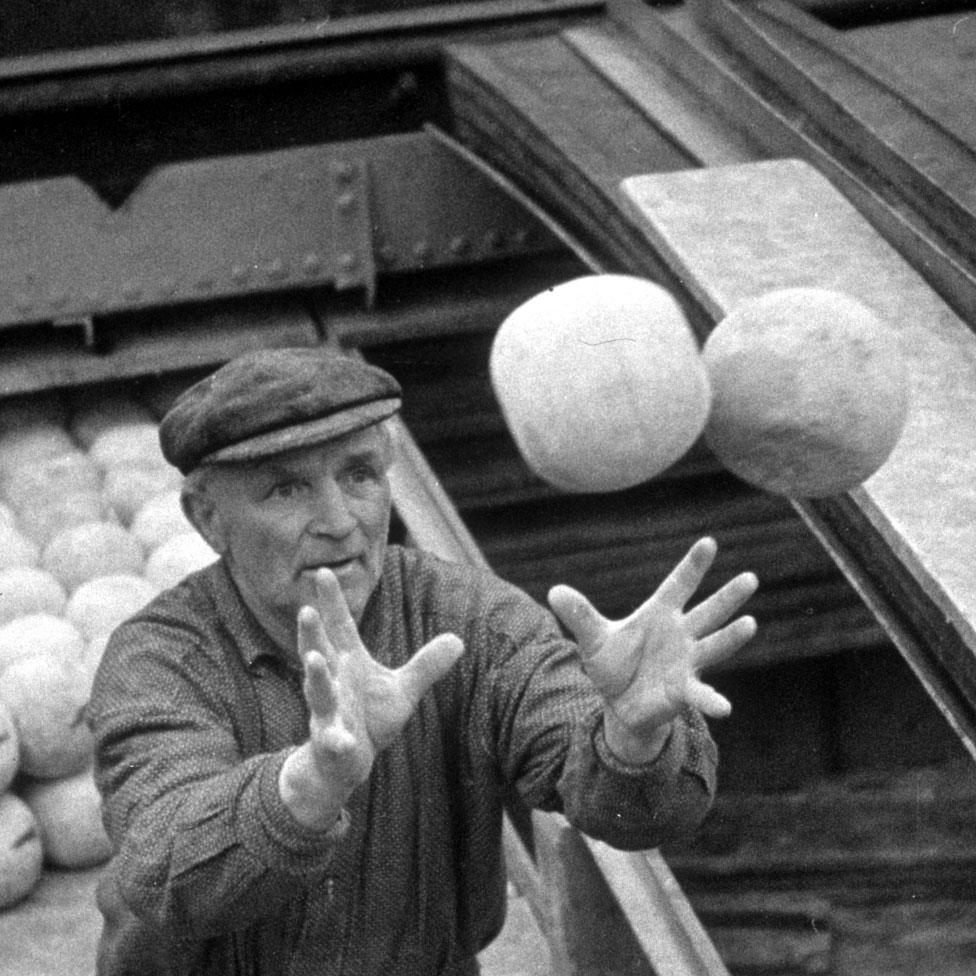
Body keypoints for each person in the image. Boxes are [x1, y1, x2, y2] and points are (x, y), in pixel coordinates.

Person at [87, 343, 759, 976]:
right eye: (286, 490)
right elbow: (162, 866)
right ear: (206, 518)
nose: (340, 520)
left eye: (358, 475)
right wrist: (309, 786)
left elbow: (632, 809)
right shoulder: (160, 658)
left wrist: (632, 738)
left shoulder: (468, 621)